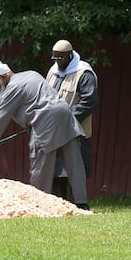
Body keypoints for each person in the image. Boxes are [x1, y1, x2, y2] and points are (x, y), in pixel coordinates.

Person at [0, 63, 89, 210]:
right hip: (64, 114)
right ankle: (82, 203)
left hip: (45, 121)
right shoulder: (32, 73)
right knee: (74, 162)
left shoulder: (13, 88)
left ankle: (39, 204)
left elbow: (0, 116)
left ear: (3, 76)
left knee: (40, 166)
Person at [45, 39, 99, 200]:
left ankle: (76, 205)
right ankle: (57, 206)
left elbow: (89, 101)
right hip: (54, 132)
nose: (57, 62)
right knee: (54, 171)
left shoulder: (84, 73)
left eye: (60, 58)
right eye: (54, 58)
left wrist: (67, 118)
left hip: (76, 131)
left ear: (69, 56)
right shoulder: (53, 72)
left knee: (72, 171)